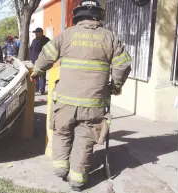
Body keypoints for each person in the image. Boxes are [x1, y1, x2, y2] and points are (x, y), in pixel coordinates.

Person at [30, 0, 132, 191]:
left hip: (64, 102)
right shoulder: (110, 38)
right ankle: (77, 180)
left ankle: (61, 169)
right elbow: (123, 65)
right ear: (98, 16)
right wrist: (115, 87)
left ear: (77, 16)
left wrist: (37, 70)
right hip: (94, 104)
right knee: (85, 139)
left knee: (62, 133)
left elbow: (46, 56)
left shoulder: (66, 35)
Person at [29, 27, 50, 95]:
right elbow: (31, 49)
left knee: (42, 75)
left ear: (40, 33)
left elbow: (49, 50)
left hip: (43, 60)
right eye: (35, 33)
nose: (35, 34)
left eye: (36, 33)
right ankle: (37, 87)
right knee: (35, 74)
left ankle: (42, 89)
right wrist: (31, 58)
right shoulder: (34, 40)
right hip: (34, 60)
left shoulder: (46, 40)